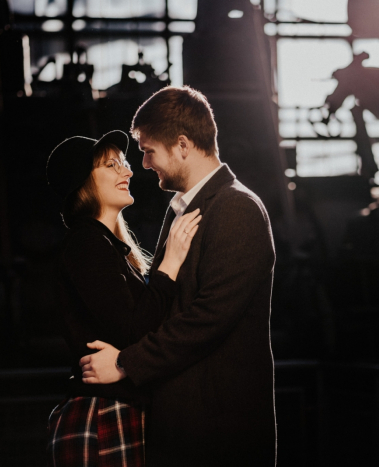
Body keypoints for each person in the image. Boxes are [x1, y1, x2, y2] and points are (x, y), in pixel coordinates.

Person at [79, 86, 277, 466]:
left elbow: (207, 318)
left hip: (219, 435)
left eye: (149, 151)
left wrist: (125, 363)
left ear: (183, 145)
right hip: (187, 425)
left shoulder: (238, 209)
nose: (145, 163)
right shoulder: (182, 209)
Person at [45, 130, 201, 467]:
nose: (127, 172)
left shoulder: (108, 248)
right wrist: (170, 264)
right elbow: (134, 330)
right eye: (112, 165)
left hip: (117, 411)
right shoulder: (87, 244)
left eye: (125, 163)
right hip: (102, 417)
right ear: (84, 183)